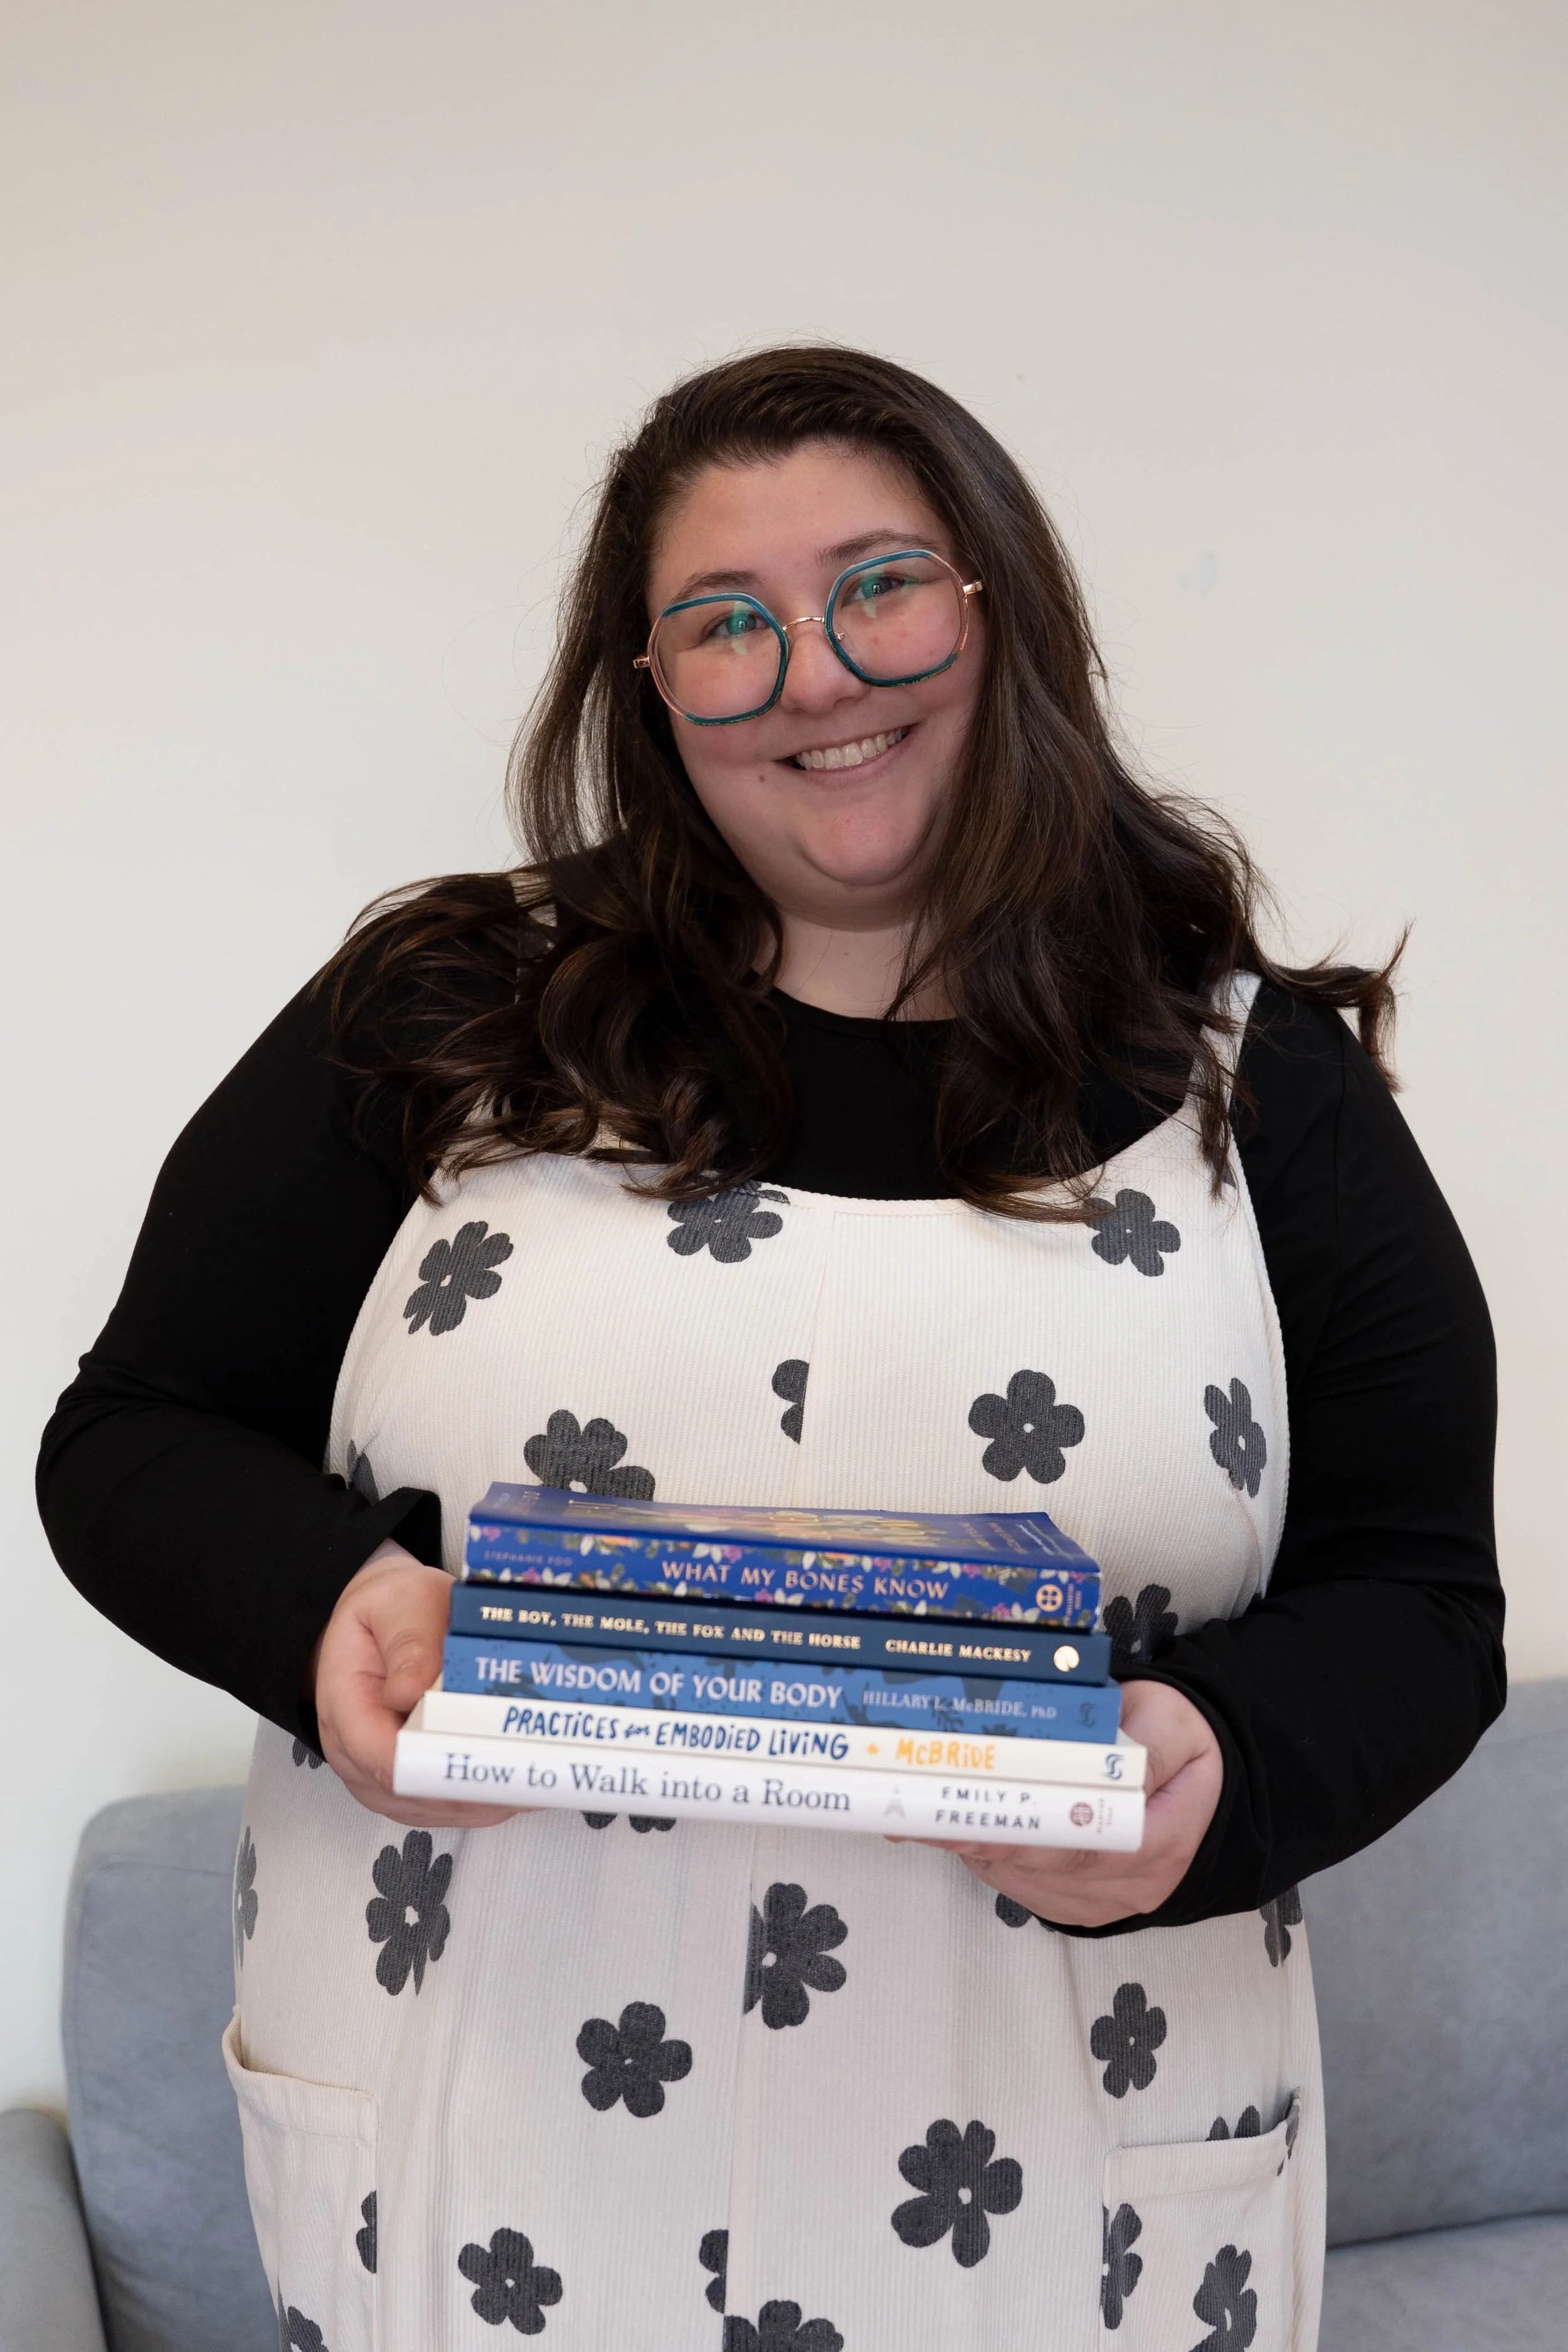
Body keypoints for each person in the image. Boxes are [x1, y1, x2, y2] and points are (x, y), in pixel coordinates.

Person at [39, 346, 1501, 2352]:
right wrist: (334, 1603)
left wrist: (1220, 1762)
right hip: (491, 2159)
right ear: (648, 693)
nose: (813, 674)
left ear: (1000, 606)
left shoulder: (1259, 1086)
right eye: (723, 625)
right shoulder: (453, 1012)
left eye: (877, 585)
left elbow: (1418, 1595)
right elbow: (132, 1433)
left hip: (1068, 2171)